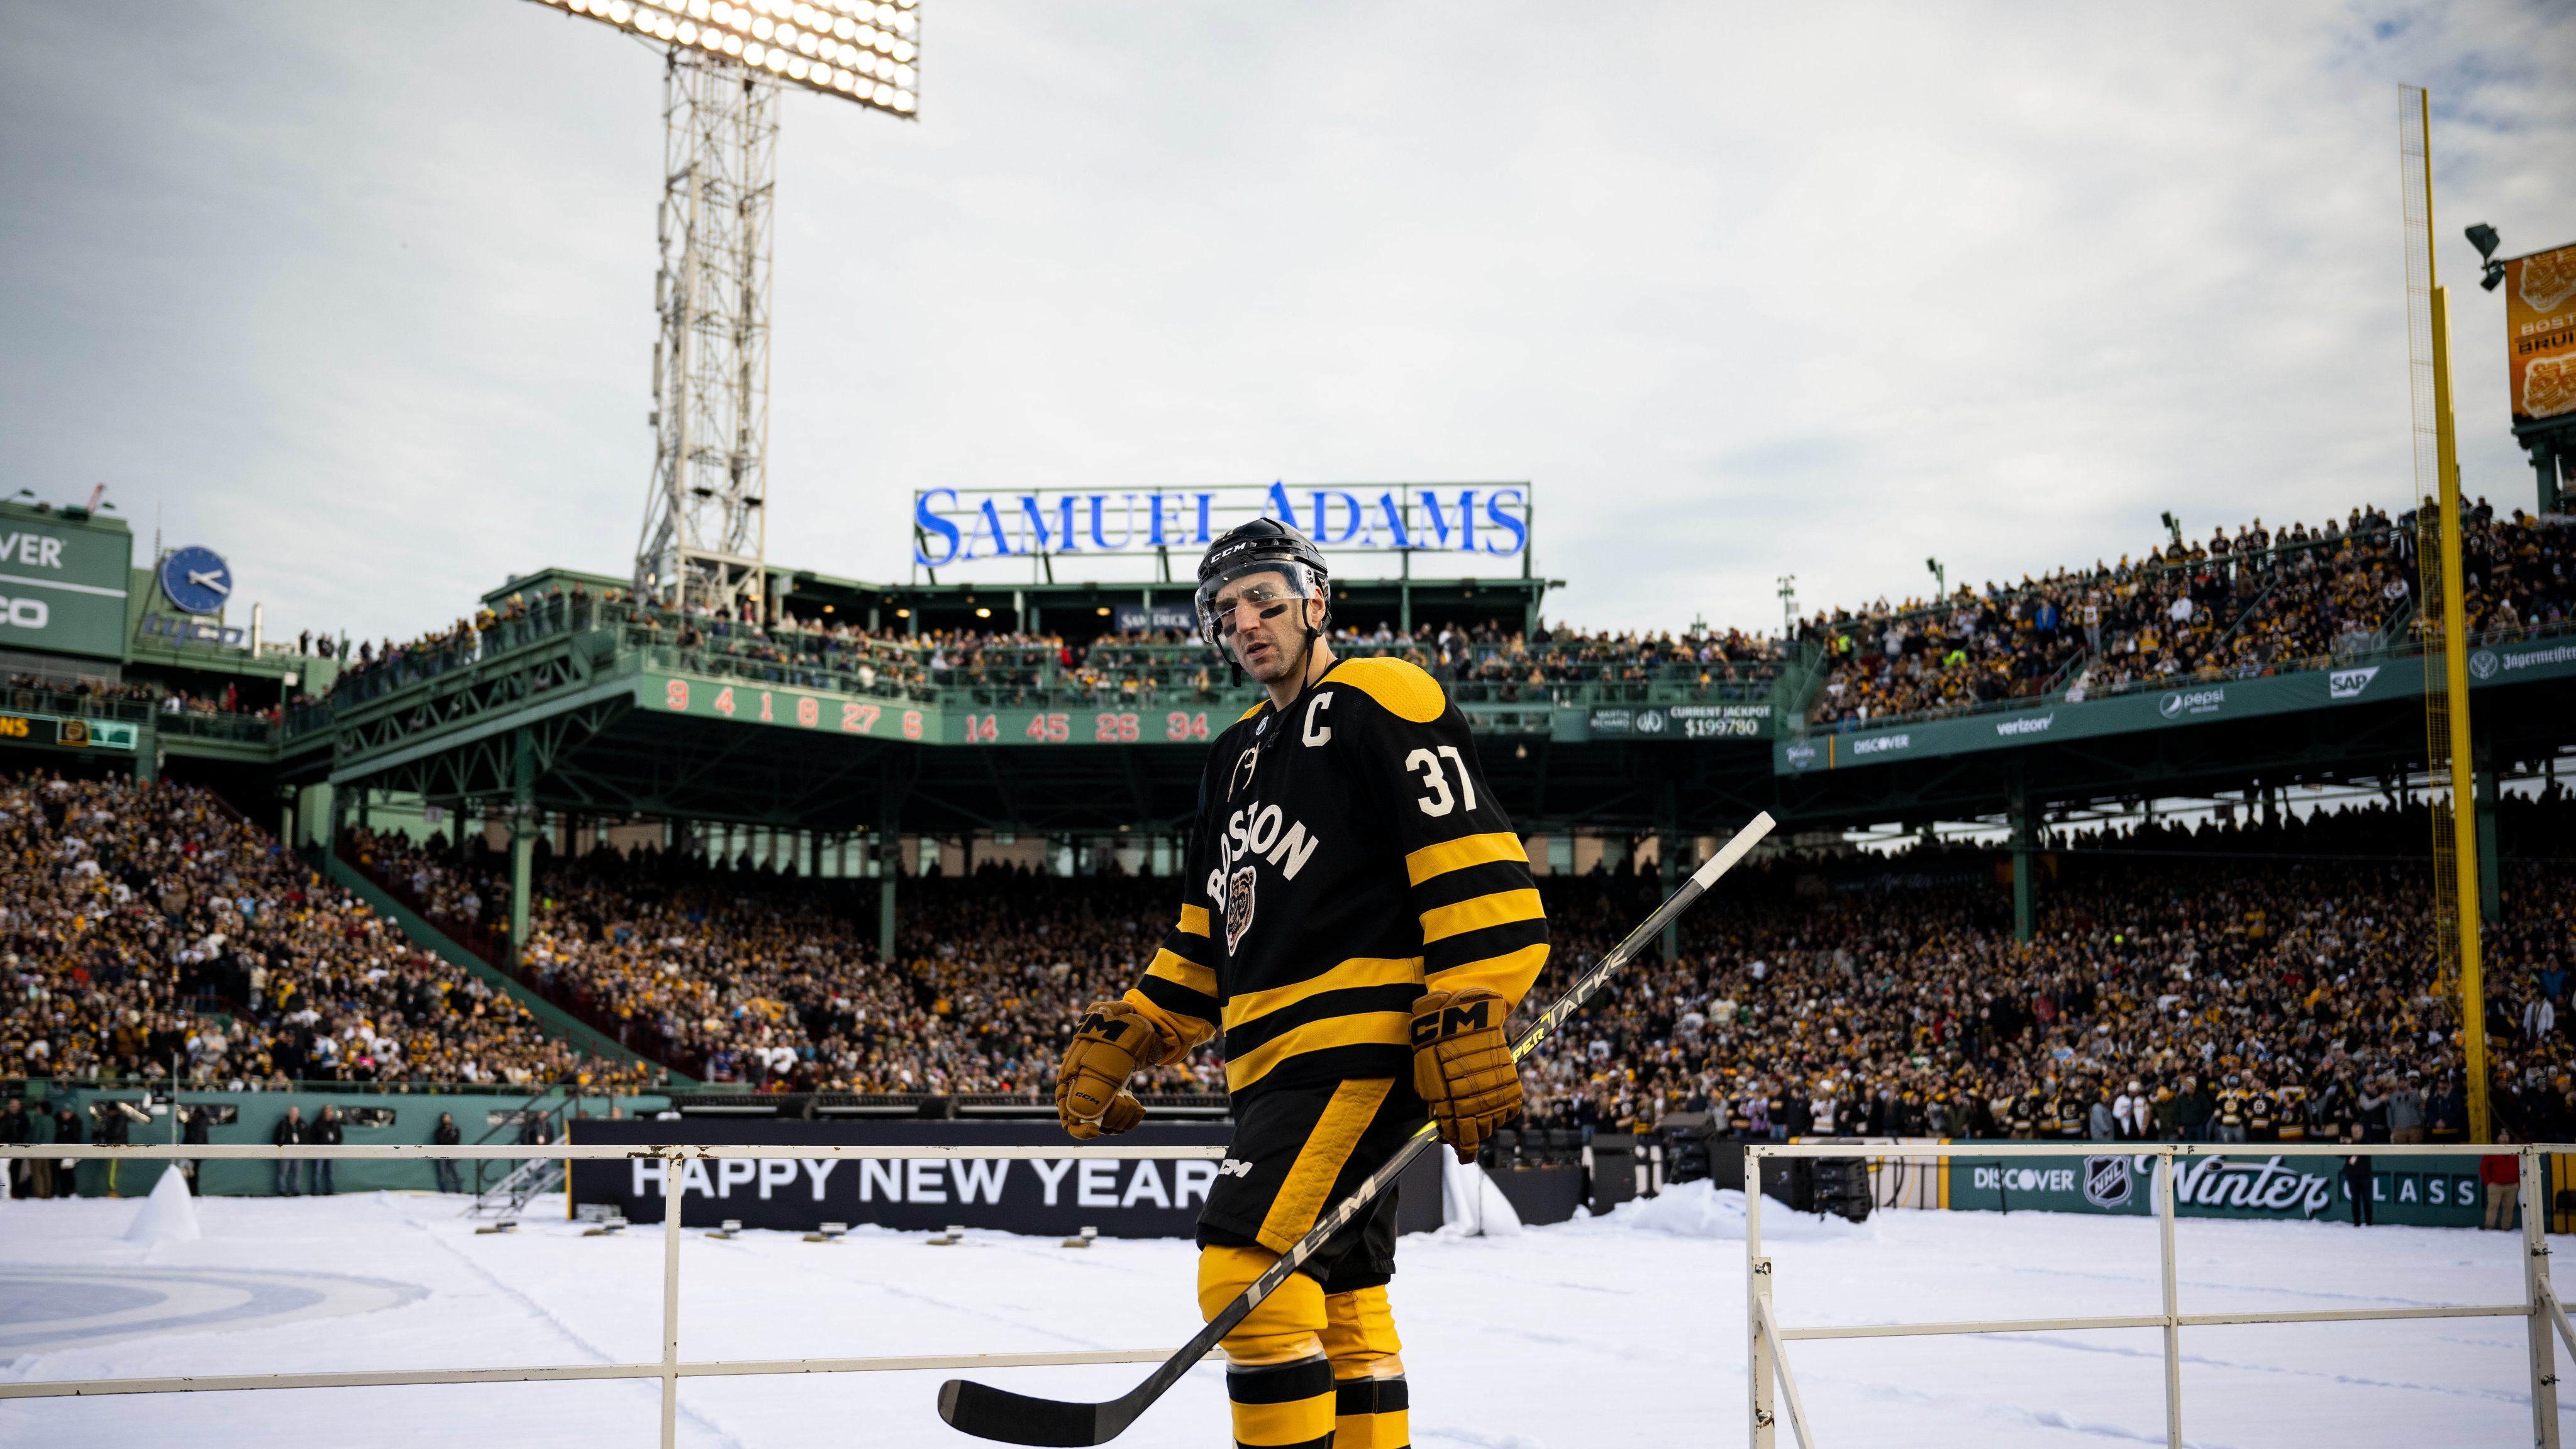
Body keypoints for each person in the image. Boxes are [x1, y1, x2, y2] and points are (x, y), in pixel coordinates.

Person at [1054, 519, 1547, 1449]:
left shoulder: (1380, 693)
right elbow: (1210, 930)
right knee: (1343, 1301)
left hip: (1352, 1049)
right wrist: (1139, 1027)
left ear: (1316, 601)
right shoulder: (1232, 756)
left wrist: (1474, 993)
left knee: (1242, 1273)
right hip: (1270, 1067)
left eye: (1264, 598)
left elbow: (1470, 860)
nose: (1244, 621)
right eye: (1223, 609)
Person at [2481, 1134, 2521, 1231]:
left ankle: (2506, 1228)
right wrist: (2488, 1182)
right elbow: (2484, 1167)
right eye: (2502, 1136)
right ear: (2498, 1138)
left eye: (2506, 1136)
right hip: (2495, 1184)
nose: (2504, 1138)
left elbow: (2522, 1167)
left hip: (2512, 1185)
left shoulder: (2516, 1151)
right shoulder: (2493, 1150)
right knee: (2493, 1206)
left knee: (2509, 1208)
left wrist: (2518, 1182)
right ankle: (2489, 1226)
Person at [272, 1106, 306, 1196]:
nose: (293, 1115)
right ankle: (282, 1190)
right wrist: (280, 1146)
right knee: (283, 1173)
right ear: (289, 1113)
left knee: (297, 1173)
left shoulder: (302, 1124)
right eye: (292, 1113)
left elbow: (307, 1136)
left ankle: (296, 1191)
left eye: (295, 1113)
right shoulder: (283, 1123)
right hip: (285, 1152)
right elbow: (277, 1136)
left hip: (298, 1153)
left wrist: (303, 1148)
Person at [52, 1103, 83, 1197]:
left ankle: (72, 1192)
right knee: (60, 1172)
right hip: (58, 1150)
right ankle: (63, 1192)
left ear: (71, 1113)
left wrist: (69, 1126)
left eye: (66, 1112)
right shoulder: (58, 1121)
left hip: (71, 1150)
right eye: (63, 1112)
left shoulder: (76, 1122)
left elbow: (76, 1137)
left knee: (68, 1172)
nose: (64, 1114)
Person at [311, 1105, 343, 1195]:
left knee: (331, 1172)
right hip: (320, 1151)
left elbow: (339, 1136)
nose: (329, 1114)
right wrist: (318, 1147)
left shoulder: (335, 1123)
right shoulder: (318, 1123)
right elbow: (313, 1136)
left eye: (330, 1111)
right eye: (327, 1112)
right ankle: (316, 1191)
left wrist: (336, 1145)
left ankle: (331, 1191)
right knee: (317, 1171)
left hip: (332, 1151)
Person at [0, 1095, 25, 1201]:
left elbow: (14, 1135)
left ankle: (6, 1194)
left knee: (2, 1171)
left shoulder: (9, 1120)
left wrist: (6, 1144)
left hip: (8, 1149)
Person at [433, 1111, 464, 1194]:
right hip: (441, 1154)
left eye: (448, 1118)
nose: (446, 1119)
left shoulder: (455, 1130)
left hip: (453, 1153)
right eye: (445, 1118)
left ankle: (459, 1189)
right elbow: (439, 1141)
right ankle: (444, 1190)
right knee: (442, 1173)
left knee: (455, 1170)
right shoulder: (439, 1131)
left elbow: (455, 1141)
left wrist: (447, 1141)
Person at [2344, 1152, 2374, 1227]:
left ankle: (2369, 1222)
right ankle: (2357, 1222)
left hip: (2365, 1175)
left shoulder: (2366, 1141)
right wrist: (2343, 1144)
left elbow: (2369, 1148)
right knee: (2355, 1199)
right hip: (2352, 1175)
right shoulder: (2349, 1144)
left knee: (2367, 1199)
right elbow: (2339, 1154)